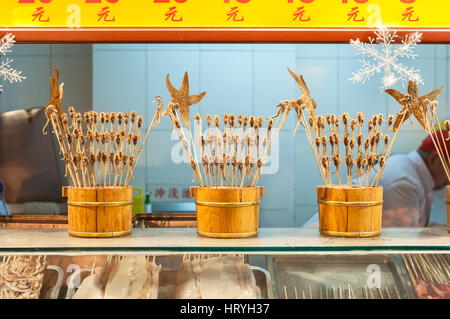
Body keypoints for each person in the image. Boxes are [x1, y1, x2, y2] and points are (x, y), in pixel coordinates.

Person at [304, 130, 450, 228]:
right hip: (321, 254)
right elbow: (402, 243)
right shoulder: (403, 182)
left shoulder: (411, 171)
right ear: (434, 159)